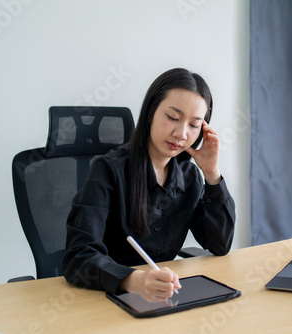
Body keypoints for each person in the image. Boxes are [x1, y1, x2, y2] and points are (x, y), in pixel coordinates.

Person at [62, 68, 236, 302]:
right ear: (150, 112)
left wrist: (212, 174)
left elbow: (219, 244)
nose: (181, 133)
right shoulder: (108, 170)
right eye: (173, 118)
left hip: (164, 296)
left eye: (194, 125)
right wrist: (134, 280)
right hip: (105, 298)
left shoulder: (190, 176)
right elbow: (79, 256)